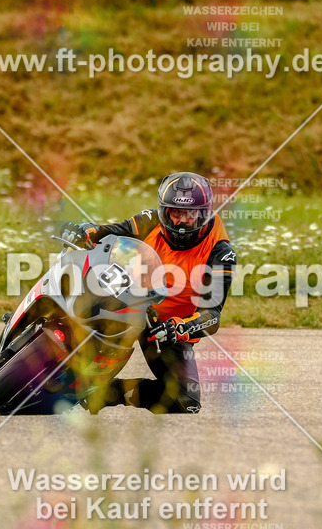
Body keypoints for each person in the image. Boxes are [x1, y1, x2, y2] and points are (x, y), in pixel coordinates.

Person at [60, 172, 236, 414]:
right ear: (164, 211)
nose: (181, 222)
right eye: (175, 213)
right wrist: (85, 231)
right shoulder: (149, 220)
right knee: (84, 288)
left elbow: (212, 317)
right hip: (128, 299)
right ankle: (46, 323)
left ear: (203, 214)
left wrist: (180, 328)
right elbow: (107, 232)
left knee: (186, 402)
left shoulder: (221, 251)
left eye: (190, 214)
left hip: (167, 330)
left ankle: (106, 392)